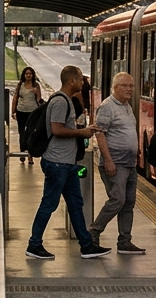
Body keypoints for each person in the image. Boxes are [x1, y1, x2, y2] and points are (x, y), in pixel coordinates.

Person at [26, 65, 111, 261]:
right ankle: (34, 244)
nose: (83, 82)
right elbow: (56, 129)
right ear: (72, 80)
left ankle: (87, 245)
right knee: (49, 203)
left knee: (75, 204)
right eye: (81, 79)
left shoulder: (68, 101)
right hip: (57, 163)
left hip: (67, 163)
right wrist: (81, 132)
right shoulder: (60, 102)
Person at [90, 72, 144, 254]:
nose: (130, 89)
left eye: (131, 86)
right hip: (116, 163)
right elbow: (100, 133)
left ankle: (125, 241)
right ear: (115, 87)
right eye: (125, 86)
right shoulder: (107, 107)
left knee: (128, 202)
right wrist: (108, 161)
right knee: (117, 200)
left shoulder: (127, 107)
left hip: (130, 163)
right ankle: (94, 232)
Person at [12, 67, 43, 165]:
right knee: (22, 133)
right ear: (24, 75)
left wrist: (36, 93)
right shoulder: (20, 85)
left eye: (30, 73)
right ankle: (22, 153)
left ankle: (30, 156)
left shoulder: (36, 85)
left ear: (33, 75)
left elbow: (39, 99)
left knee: (30, 133)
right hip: (21, 111)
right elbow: (15, 97)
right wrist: (13, 110)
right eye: (26, 73)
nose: (28, 75)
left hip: (32, 112)